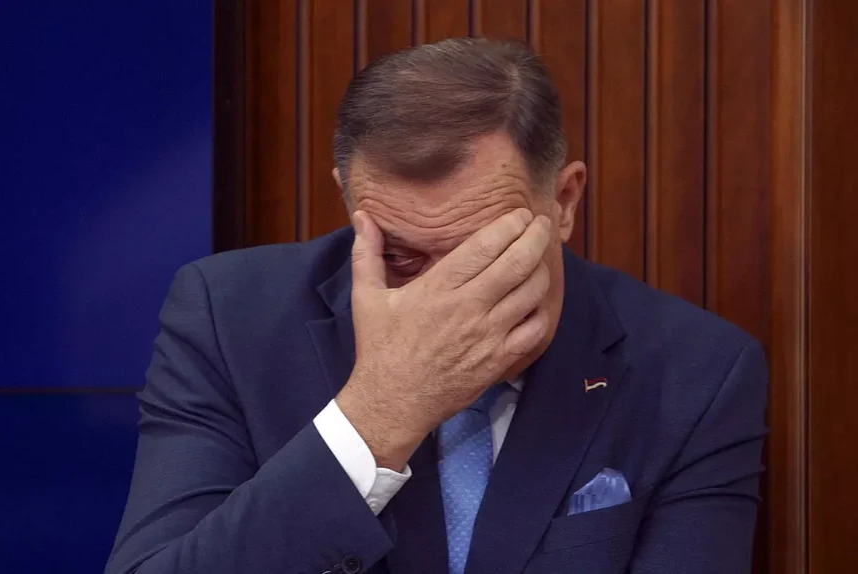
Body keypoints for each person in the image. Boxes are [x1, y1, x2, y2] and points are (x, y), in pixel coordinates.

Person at [107, 38, 767, 574]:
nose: (444, 298)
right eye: (400, 257)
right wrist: (382, 409)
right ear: (348, 198)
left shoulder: (696, 372)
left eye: (485, 250)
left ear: (564, 202)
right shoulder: (229, 318)